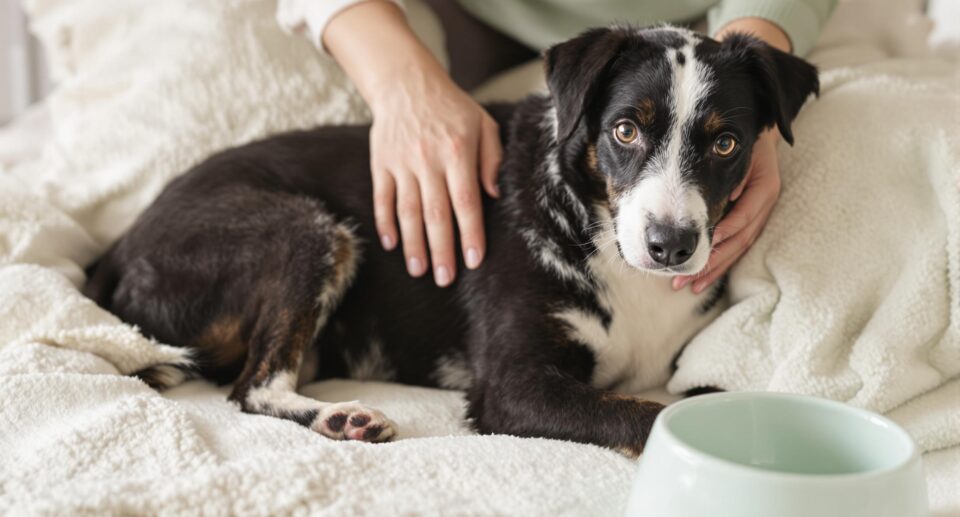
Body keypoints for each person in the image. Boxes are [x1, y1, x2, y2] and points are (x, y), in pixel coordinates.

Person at [277, 0, 836, 290]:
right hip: (440, 24)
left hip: (711, 28)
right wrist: (401, 86)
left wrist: (746, 93)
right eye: (626, 132)